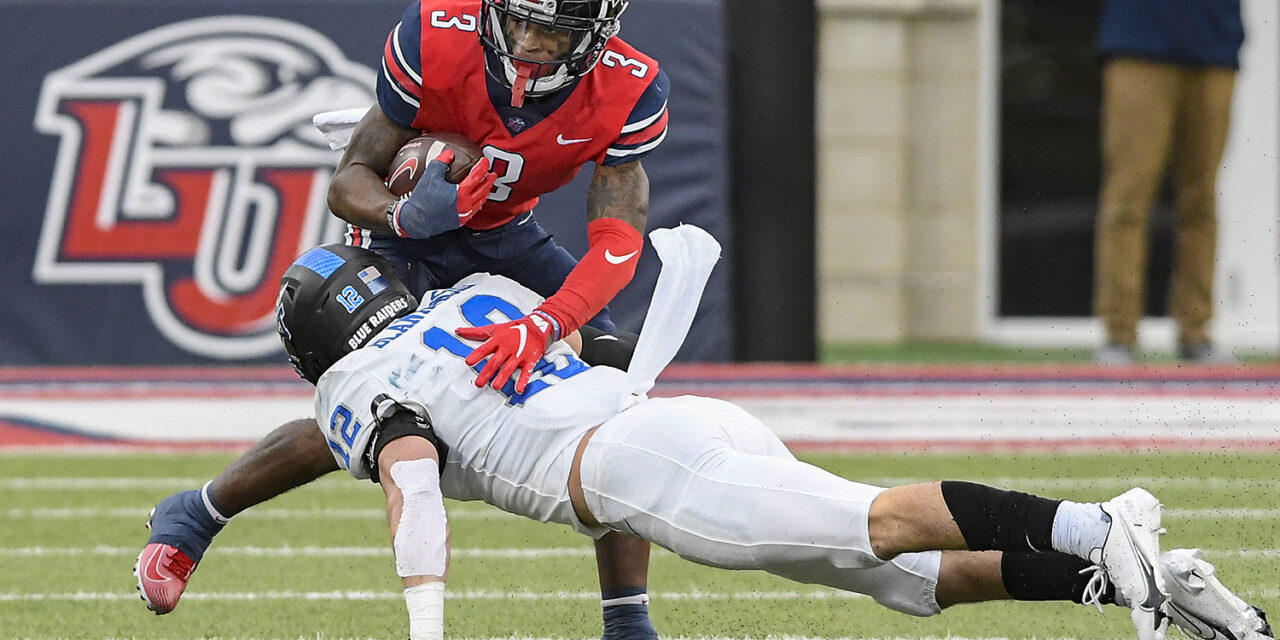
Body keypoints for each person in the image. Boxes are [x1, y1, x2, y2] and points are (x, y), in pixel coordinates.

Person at [270, 227, 1270, 640]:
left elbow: (412, 479)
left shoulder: (359, 383)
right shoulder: (471, 298)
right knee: (915, 580)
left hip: (642, 466)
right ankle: (1151, 583)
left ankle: (1100, 524)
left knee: (880, 522)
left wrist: (427, 630)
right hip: (671, 428)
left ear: (318, 344)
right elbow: (585, 347)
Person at [134, 0, 668, 636]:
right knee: (381, 405)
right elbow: (348, 181)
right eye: (518, 20)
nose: (528, 42)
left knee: (617, 384)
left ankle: (627, 618)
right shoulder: (438, 35)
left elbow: (618, 239)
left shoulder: (630, 85)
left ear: (596, 35)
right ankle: (198, 513)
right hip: (403, 239)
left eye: (552, 30)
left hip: (505, 235)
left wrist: (548, 324)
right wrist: (403, 214)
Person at [1092, 0, 1244, 364]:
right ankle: (1118, 334)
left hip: (1212, 42)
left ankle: (1196, 332)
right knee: (1127, 198)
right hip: (1137, 39)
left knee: (1201, 200)